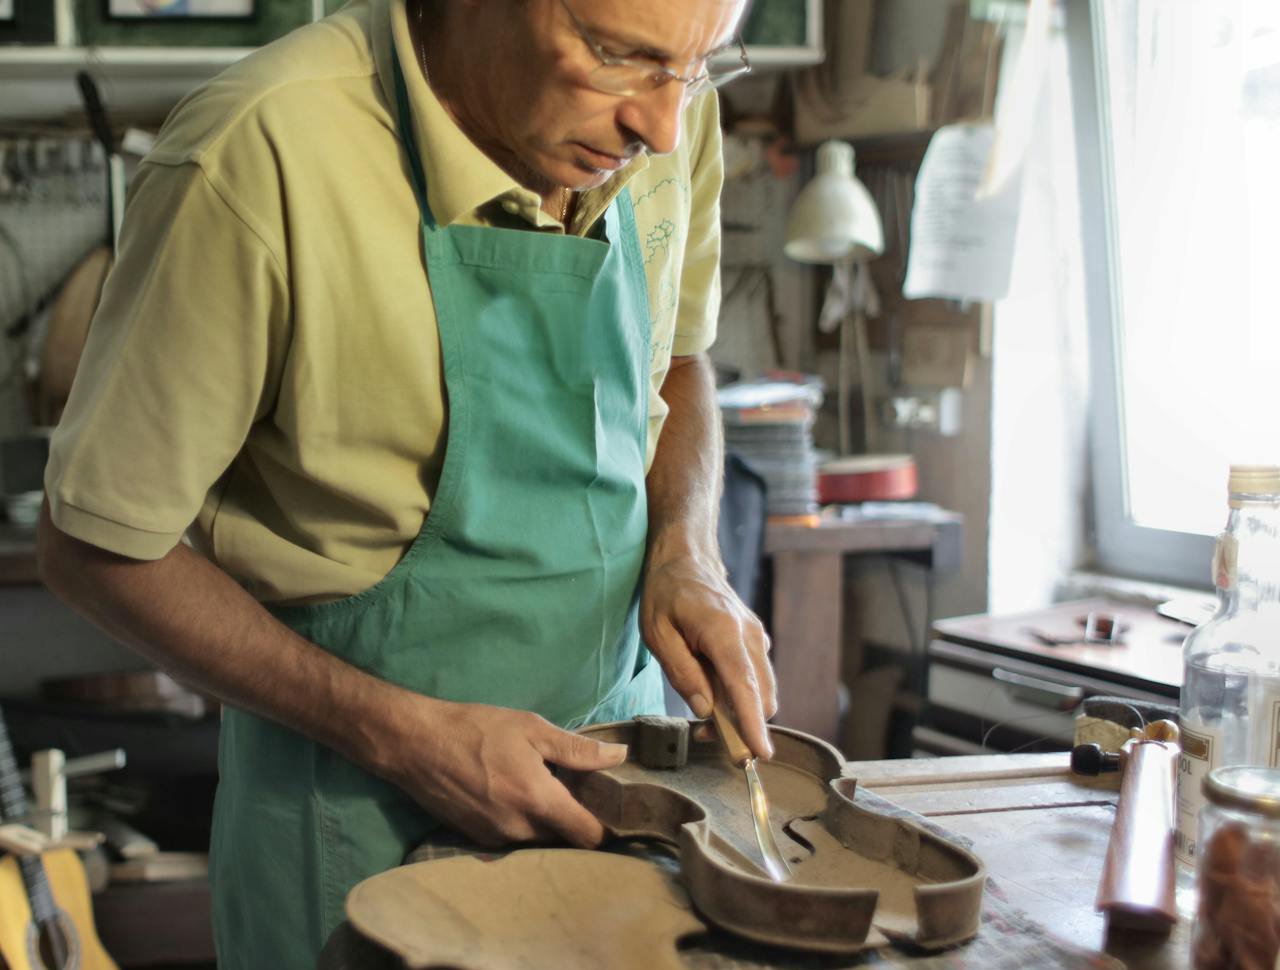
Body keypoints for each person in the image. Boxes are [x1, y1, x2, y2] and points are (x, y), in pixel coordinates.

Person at [37, 0, 772, 966]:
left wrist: (688, 548)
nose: (663, 126)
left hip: (624, 805)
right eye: (614, 56)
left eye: (701, 65)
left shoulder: (669, 107)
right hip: (356, 830)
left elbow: (677, 360)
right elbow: (96, 549)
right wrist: (402, 737)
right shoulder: (260, 151)